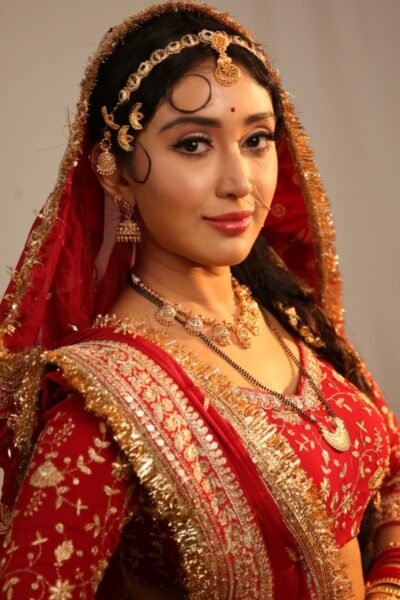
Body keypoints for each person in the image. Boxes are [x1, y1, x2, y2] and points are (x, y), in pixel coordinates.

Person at [0, 1, 399, 598]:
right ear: (113, 169)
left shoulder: (289, 319)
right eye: (193, 144)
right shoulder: (101, 407)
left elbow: (390, 469)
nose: (240, 183)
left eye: (257, 139)